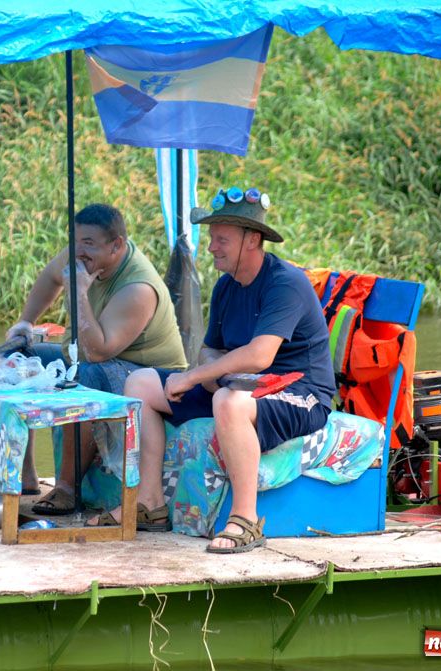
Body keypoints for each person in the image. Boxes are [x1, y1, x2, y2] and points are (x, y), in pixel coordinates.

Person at [93, 186, 335, 553]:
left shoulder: (286, 283)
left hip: (301, 394)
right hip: (238, 387)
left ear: (252, 239)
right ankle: (150, 503)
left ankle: (246, 520)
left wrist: (195, 376)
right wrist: (208, 371)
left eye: (221, 239)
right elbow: (209, 347)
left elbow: (259, 356)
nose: (211, 248)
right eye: (210, 238)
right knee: (140, 382)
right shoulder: (226, 286)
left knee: (228, 400)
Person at [4, 203, 188, 514]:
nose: (78, 251)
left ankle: (66, 487)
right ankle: (25, 475)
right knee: (19, 357)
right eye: (75, 241)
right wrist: (25, 322)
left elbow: (97, 351)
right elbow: (51, 277)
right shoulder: (81, 253)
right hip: (94, 356)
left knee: (83, 376)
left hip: (145, 372)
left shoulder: (138, 287)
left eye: (88, 244)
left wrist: (79, 292)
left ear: (117, 245)